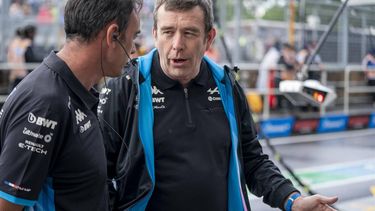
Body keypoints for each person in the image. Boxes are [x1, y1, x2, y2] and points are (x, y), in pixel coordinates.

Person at [99, 0, 338, 210]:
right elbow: (99, 176)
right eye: (168, 32)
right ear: (155, 33)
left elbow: (252, 160)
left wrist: (292, 200)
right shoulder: (127, 86)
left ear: (209, 38)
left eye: (189, 33)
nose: (177, 44)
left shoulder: (226, 85)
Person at [0, 0, 142, 210]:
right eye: (134, 37)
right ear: (113, 35)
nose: (133, 49)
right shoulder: (46, 103)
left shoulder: (73, 91)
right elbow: (7, 205)